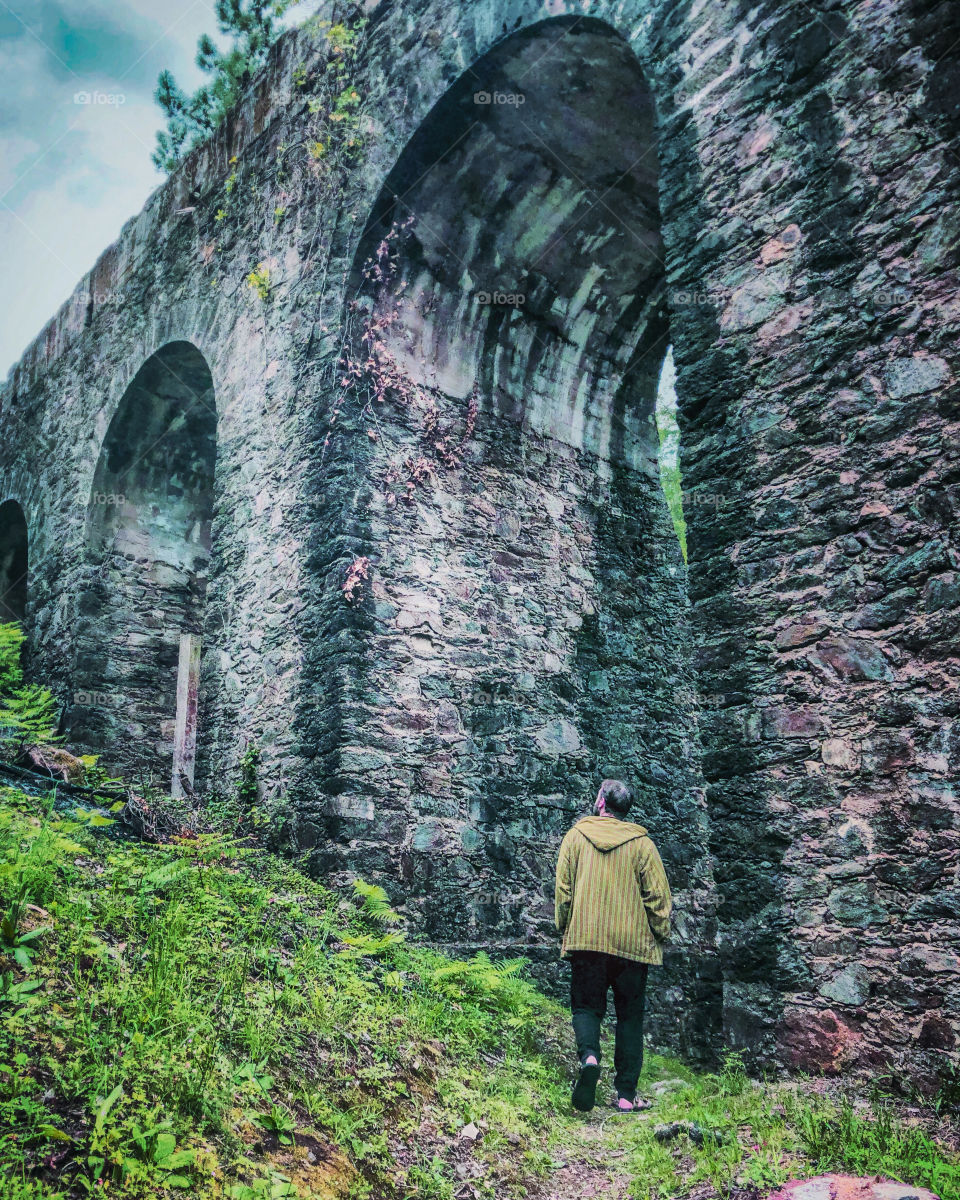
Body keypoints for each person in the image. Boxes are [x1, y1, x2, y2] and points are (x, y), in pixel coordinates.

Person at [554, 778, 672, 1113]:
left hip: (587, 940)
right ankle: (625, 1096)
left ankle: (590, 1057)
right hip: (632, 946)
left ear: (602, 802)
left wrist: (565, 927)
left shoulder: (576, 837)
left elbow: (563, 891)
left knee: (586, 1008)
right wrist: (660, 932)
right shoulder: (642, 845)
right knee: (630, 1017)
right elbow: (659, 898)